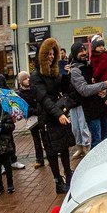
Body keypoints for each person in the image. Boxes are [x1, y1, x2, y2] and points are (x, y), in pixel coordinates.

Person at [30, 38, 75, 193]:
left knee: (63, 147)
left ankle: (68, 174)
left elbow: (64, 90)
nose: (51, 57)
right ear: (41, 55)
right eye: (48, 54)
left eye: (52, 54)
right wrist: (58, 114)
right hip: (47, 117)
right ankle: (58, 181)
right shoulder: (36, 76)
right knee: (51, 151)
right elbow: (43, 99)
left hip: (58, 113)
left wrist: (67, 76)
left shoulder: (54, 72)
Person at [15, 71, 45, 168]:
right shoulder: (20, 94)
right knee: (36, 139)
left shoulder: (35, 88)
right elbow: (25, 108)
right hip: (32, 118)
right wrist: (36, 111)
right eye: (25, 79)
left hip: (41, 116)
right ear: (21, 81)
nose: (28, 80)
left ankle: (50, 155)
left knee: (45, 136)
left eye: (28, 77)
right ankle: (39, 159)